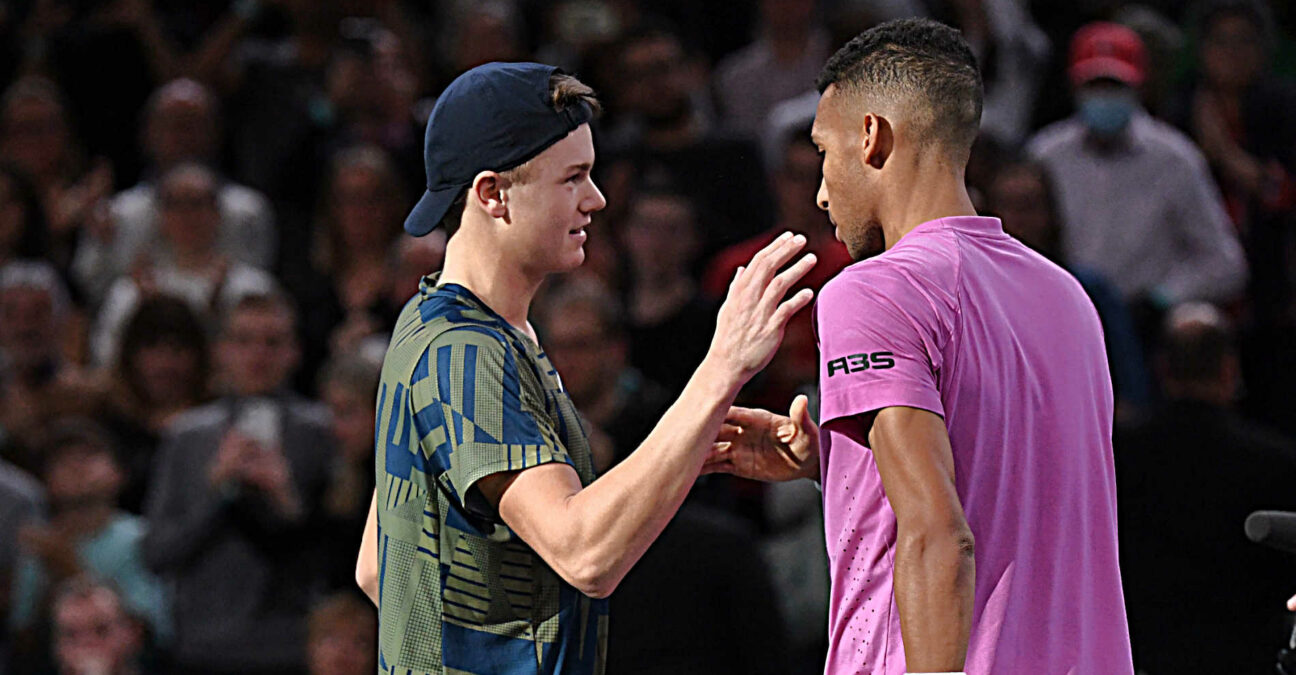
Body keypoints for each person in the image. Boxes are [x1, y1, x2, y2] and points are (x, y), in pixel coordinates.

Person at [354, 62, 815, 674]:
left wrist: (686, 446)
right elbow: (587, 555)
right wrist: (723, 365)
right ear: (492, 194)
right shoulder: (464, 352)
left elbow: (379, 564)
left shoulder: (440, 324)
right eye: (573, 178)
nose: (596, 200)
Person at [705, 19, 1133, 673]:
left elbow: (938, 534)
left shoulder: (868, 290)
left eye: (824, 152)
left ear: (871, 137)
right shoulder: (1069, 297)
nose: (820, 192)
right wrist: (836, 458)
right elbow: (1012, 489)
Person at [142, 291, 334, 674]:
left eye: (272, 342)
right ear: (221, 351)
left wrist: (286, 500)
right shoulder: (186, 437)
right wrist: (215, 489)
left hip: (290, 647)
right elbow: (157, 554)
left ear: (293, 352)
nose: (258, 354)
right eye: (243, 340)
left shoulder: (322, 434)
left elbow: (334, 558)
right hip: (202, 647)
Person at [1116, 302, 1296, 673]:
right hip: (1245, 659)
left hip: (1142, 655)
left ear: (1161, 368)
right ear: (1229, 369)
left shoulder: (1118, 454)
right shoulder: (1276, 461)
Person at [1026, 22, 1246, 312]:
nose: (1104, 96)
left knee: (1196, 325)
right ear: (1074, 86)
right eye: (1095, 85)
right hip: (1059, 307)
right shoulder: (1046, 153)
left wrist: (1165, 296)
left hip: (1144, 316)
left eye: (1114, 86)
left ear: (1139, 86)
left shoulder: (1175, 158)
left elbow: (1225, 262)